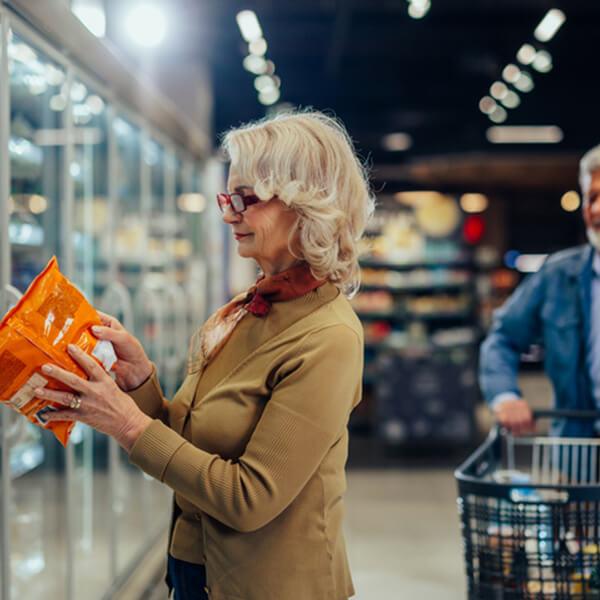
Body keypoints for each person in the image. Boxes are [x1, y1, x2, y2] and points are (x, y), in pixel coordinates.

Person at [34, 110, 375, 600]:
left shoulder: (328, 337)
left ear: (308, 204)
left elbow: (247, 498)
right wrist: (138, 382)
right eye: (227, 197)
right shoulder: (251, 308)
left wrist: (126, 424)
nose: (229, 213)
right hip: (198, 574)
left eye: (246, 199)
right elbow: (192, 445)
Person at [480, 144, 600, 437]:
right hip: (578, 454)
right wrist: (506, 396)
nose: (596, 209)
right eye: (591, 197)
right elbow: (503, 338)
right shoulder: (558, 276)